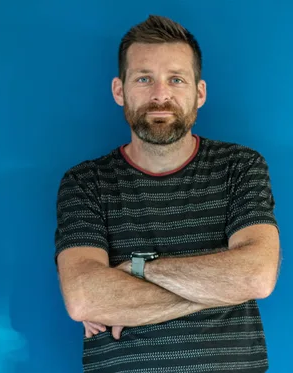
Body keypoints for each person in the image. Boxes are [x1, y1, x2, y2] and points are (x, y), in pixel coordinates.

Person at [54, 14, 281, 373]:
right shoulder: (86, 182)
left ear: (199, 93)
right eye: (144, 79)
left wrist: (135, 269)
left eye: (176, 79)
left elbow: (256, 276)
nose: (161, 95)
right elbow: (84, 297)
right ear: (119, 90)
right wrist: (219, 288)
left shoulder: (240, 166)